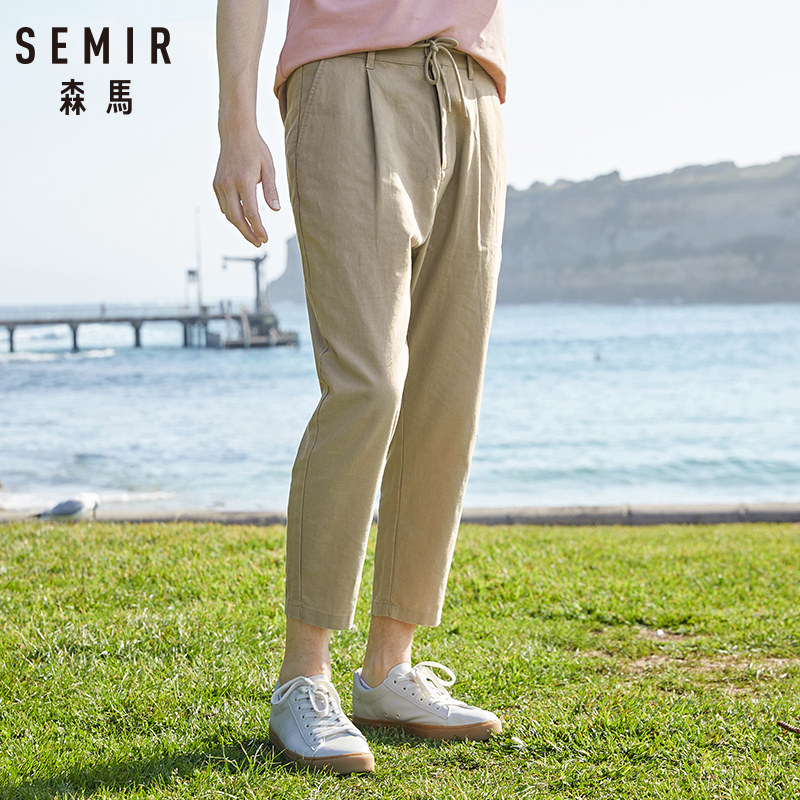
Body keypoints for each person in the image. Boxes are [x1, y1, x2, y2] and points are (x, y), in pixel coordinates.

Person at [213, 0, 508, 775]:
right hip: (348, 78)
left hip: (473, 87)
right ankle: (302, 677)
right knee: (367, 384)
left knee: (446, 396)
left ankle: (387, 671)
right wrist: (236, 124)